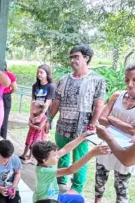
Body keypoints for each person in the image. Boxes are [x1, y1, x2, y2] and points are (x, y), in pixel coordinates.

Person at [46, 44, 106, 194]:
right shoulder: (64, 79)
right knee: (61, 155)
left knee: (80, 159)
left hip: (82, 129)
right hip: (62, 127)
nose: (73, 60)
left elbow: (99, 105)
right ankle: (61, 182)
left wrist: (91, 126)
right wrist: (48, 119)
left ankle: (76, 188)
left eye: (76, 57)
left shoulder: (97, 80)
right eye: (71, 57)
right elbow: (56, 102)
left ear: (86, 58)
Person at [94, 64, 135, 203]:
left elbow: (133, 131)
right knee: (100, 179)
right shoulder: (117, 95)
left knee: (122, 187)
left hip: (126, 150)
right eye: (127, 79)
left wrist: (111, 118)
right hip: (106, 143)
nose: (130, 84)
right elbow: (101, 118)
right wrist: (126, 126)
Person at [31, 135, 110, 203]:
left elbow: (65, 149)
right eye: (55, 155)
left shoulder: (45, 162)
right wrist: (92, 153)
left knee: (78, 199)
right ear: (45, 160)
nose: (57, 156)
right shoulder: (44, 172)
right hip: (46, 201)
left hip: (50, 197)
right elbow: (70, 170)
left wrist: (81, 137)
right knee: (78, 199)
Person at [31, 64, 56, 141]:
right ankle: (32, 152)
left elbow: (48, 102)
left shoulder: (51, 86)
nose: (39, 74)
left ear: (47, 73)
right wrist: (31, 115)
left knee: (44, 136)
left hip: (46, 115)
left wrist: (41, 115)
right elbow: (32, 101)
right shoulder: (35, 86)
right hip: (35, 114)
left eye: (41, 72)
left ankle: (44, 152)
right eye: (38, 72)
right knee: (33, 135)